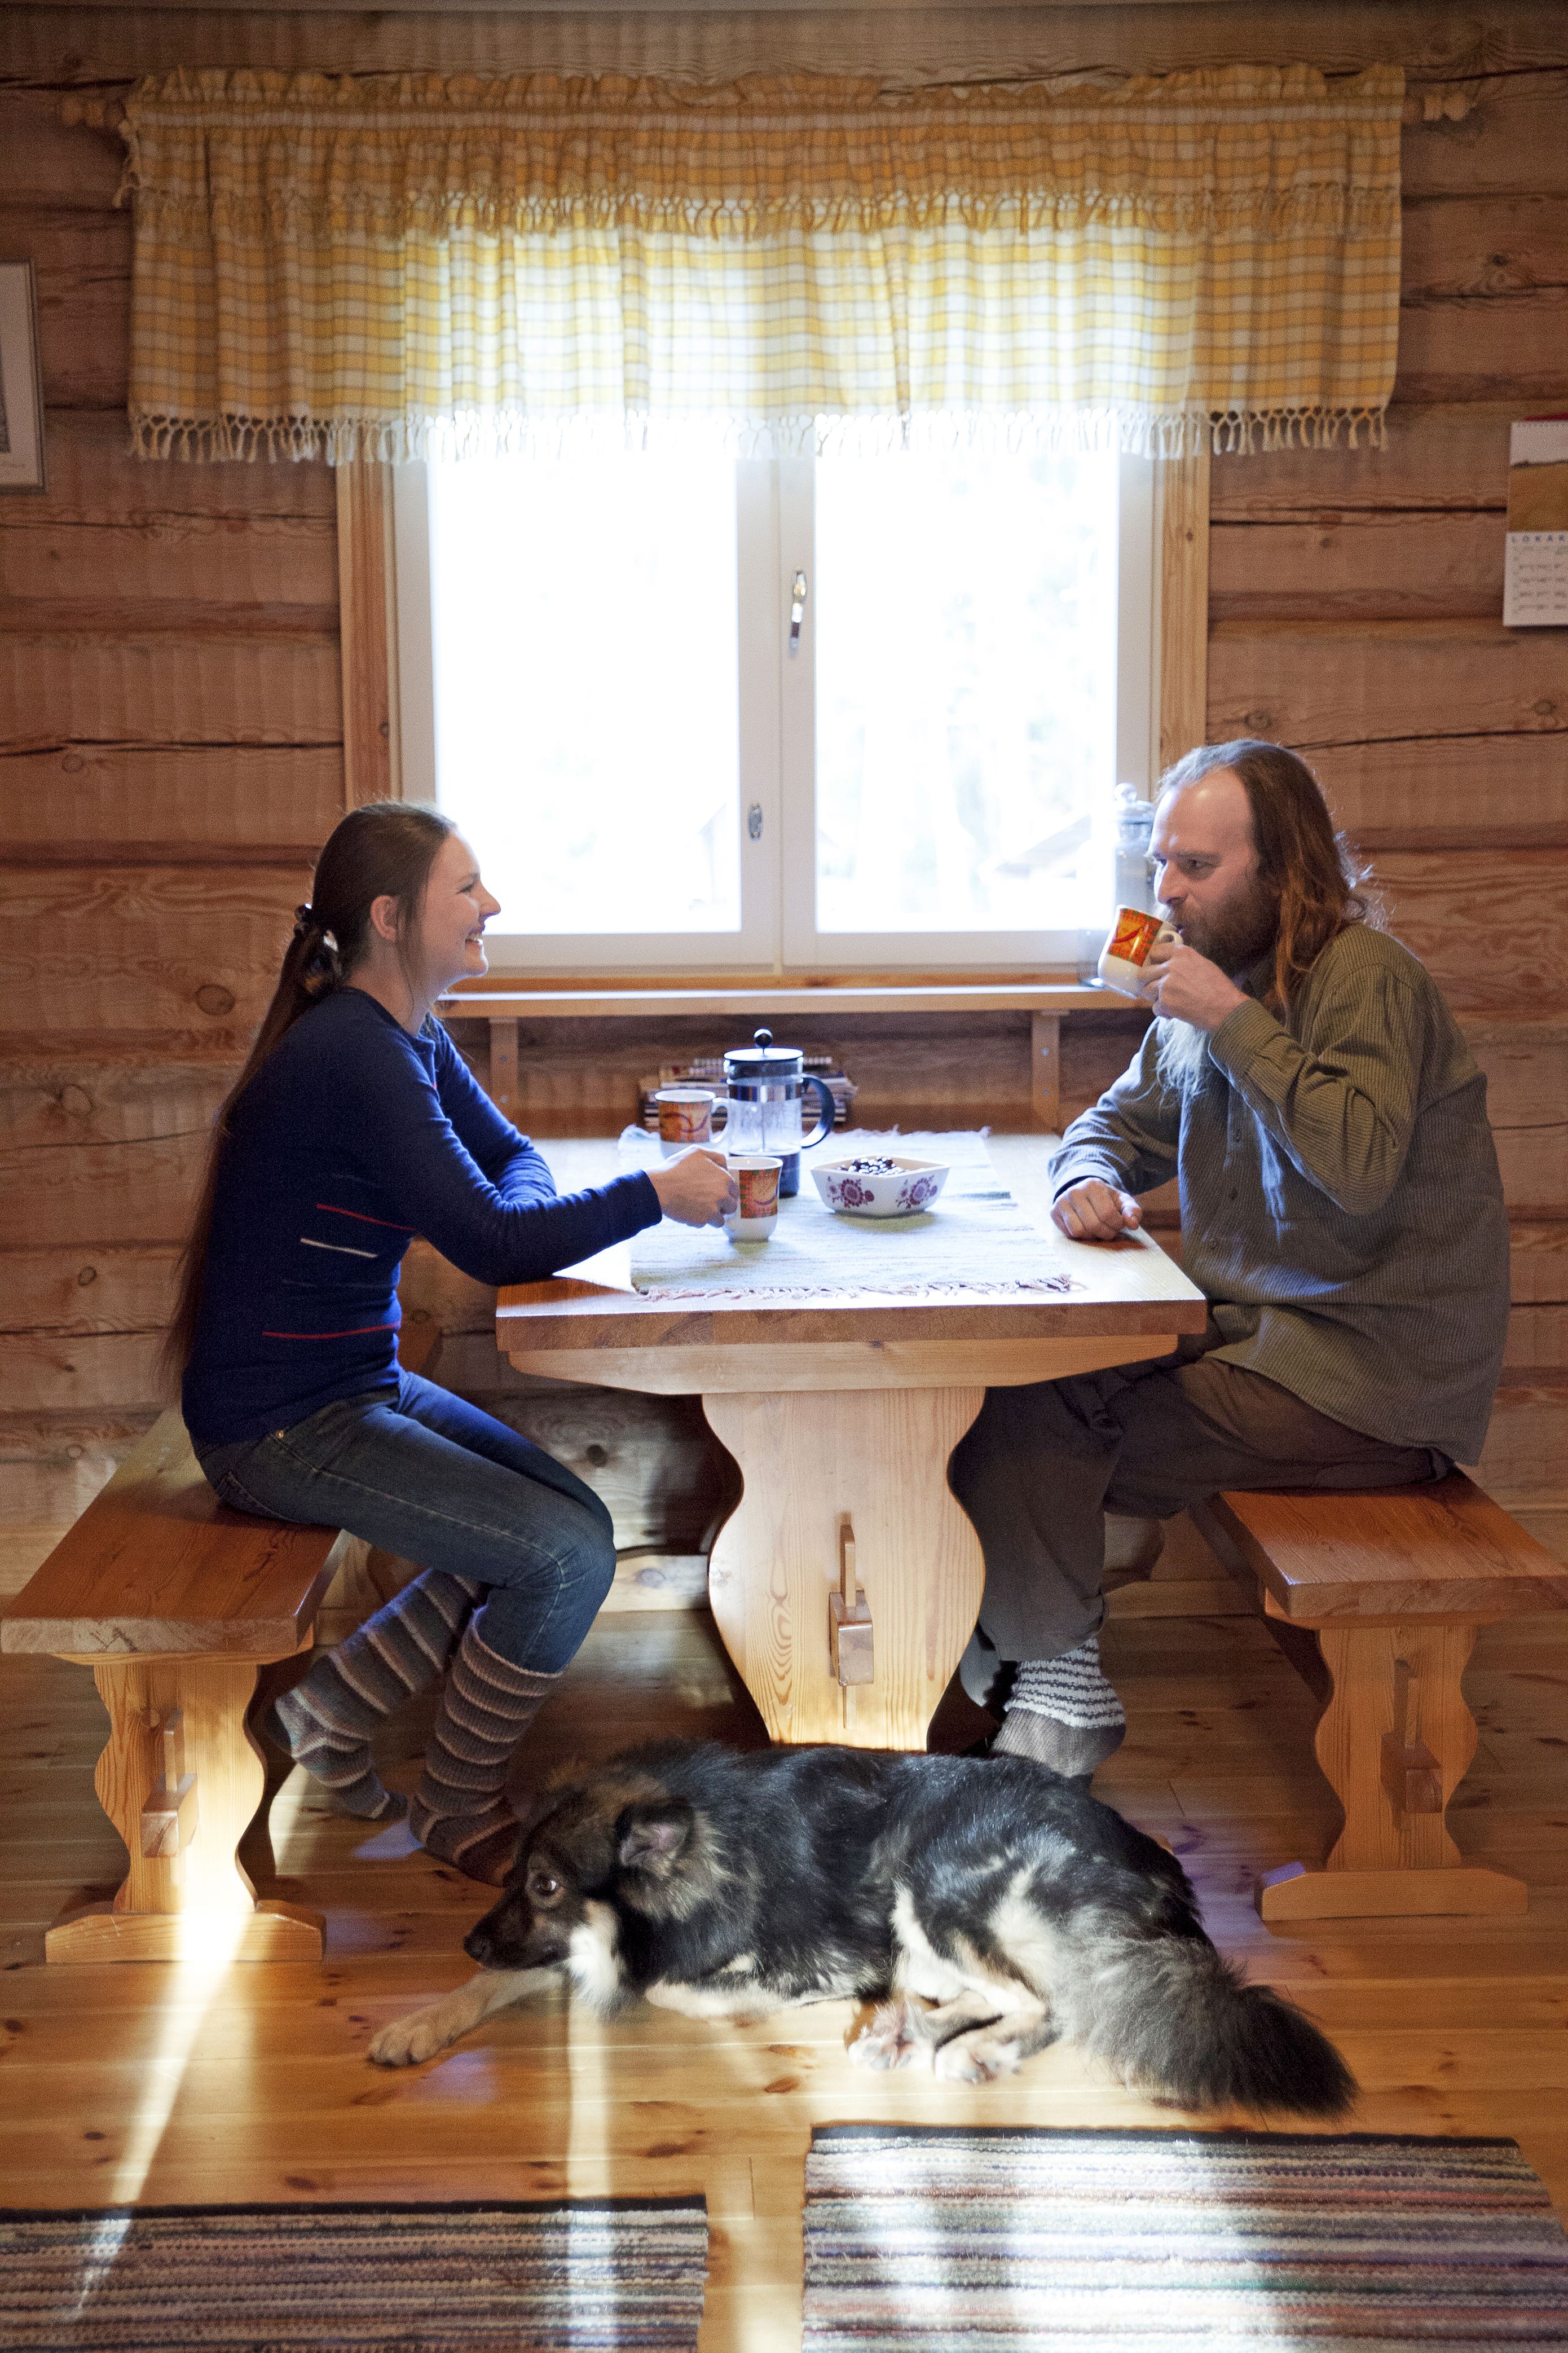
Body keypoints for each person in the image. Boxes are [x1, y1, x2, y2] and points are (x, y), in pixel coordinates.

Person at [169, 801, 735, 1883]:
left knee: (571, 1524)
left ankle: (334, 1715)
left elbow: (511, 1165)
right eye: (466, 890)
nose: (493, 907)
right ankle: (453, 1800)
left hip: (347, 1385)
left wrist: (536, 1207)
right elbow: (494, 1241)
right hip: (279, 1425)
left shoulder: (405, 1034)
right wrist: (655, 1194)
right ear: (390, 917)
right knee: (562, 1555)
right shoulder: (356, 1052)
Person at [950, 740, 1510, 1779]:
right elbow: (1111, 1123)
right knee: (1002, 1386)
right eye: (1162, 863)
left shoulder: (1363, 980)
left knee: (1029, 1418)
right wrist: (1084, 1179)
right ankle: (1021, 1669)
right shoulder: (1207, 987)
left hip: (1369, 1377)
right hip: (1258, 1338)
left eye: (1196, 867)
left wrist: (1230, 1019)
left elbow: (1359, 1168)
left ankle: (1055, 1694)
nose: (1167, 890)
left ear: (1281, 868)